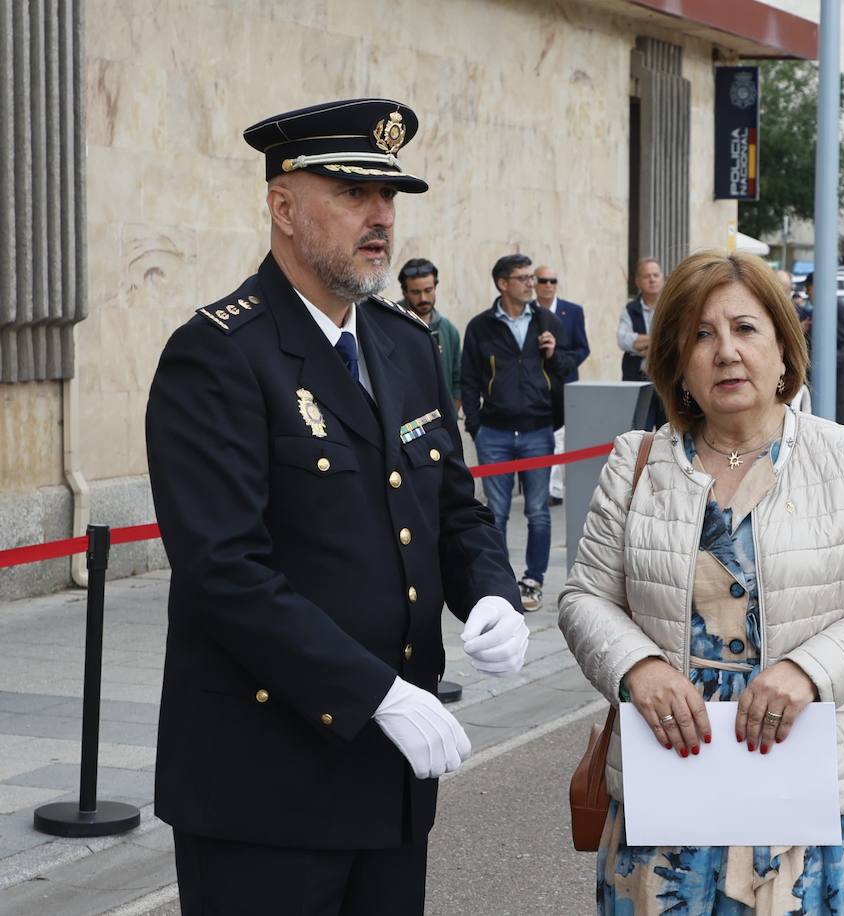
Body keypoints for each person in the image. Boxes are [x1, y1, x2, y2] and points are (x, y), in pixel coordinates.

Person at [145, 98, 529, 916]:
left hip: (390, 781)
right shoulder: (218, 356)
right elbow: (226, 572)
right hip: (266, 788)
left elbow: (451, 508)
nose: (381, 218)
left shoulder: (404, 344)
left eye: (389, 199)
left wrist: (492, 589)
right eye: (353, 194)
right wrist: (376, 692)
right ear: (283, 206)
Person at [559, 249, 844, 914]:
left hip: (806, 799)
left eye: (746, 329)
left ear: (785, 353)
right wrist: (637, 667)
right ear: (676, 365)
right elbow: (586, 598)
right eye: (701, 335)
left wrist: (810, 671)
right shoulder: (636, 462)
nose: (726, 352)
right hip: (667, 794)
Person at [460, 254, 575, 612]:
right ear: (502, 284)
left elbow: (568, 372)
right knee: (495, 512)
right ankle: (501, 581)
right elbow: (468, 380)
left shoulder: (547, 321)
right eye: (523, 278)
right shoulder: (480, 326)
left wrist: (554, 354)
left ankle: (533, 580)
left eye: (532, 277)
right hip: (493, 432)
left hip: (537, 430)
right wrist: (476, 427)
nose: (532, 284)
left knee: (539, 511)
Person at [534, 264, 590, 504]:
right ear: (534, 283)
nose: (548, 285)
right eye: (543, 281)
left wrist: (564, 363)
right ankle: (537, 485)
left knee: (559, 439)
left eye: (553, 281)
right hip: (534, 385)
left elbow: (582, 347)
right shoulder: (527, 312)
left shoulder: (572, 311)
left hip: (563, 384)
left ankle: (554, 490)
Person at [398, 257, 461, 415]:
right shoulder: (388, 324)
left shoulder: (448, 330)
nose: (423, 299)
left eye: (428, 290)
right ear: (405, 292)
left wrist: (451, 417)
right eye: (416, 292)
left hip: (439, 422)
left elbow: (458, 381)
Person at [802, 272, 844, 427]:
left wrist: (822, 366)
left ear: (817, 287)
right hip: (821, 385)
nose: (806, 293)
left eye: (808, 288)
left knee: (839, 433)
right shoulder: (817, 310)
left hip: (840, 386)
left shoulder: (839, 308)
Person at [618, 256, 666, 428]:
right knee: (638, 436)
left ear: (662, 278)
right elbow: (623, 340)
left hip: (666, 384)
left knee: (669, 436)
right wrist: (657, 341)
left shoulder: (672, 306)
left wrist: (642, 343)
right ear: (638, 282)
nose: (652, 280)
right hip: (637, 382)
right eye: (647, 276)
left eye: (655, 275)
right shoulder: (630, 309)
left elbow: (673, 340)